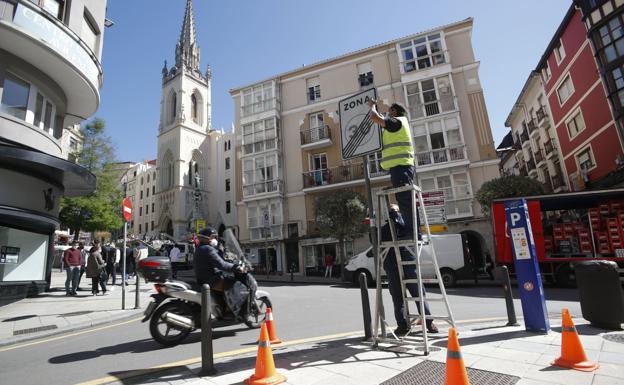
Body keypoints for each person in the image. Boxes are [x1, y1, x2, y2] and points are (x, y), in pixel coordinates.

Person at [382, 204, 437, 336]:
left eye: (395, 211)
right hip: (393, 265)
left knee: (417, 295)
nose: (394, 214)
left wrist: (397, 219)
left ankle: (427, 323)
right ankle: (403, 325)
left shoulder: (405, 226)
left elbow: (405, 231)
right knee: (399, 298)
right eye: (393, 212)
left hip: (406, 264)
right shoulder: (388, 228)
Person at [368, 100, 419, 239]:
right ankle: (412, 232)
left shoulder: (397, 122)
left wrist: (371, 106)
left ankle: (413, 233)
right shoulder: (398, 124)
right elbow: (380, 119)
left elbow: (374, 117)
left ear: (394, 112)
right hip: (400, 167)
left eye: (390, 110)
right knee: (404, 200)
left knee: (405, 201)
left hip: (401, 166)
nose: (388, 113)